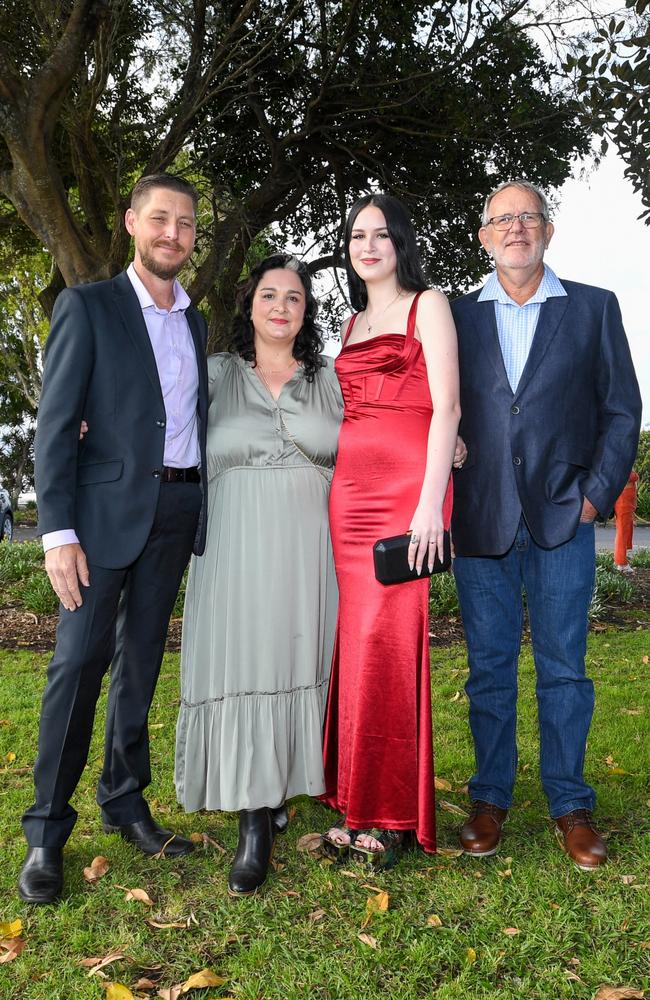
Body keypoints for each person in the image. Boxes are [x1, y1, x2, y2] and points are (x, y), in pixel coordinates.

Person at [19, 174, 209, 904]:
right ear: (132, 222)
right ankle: (45, 833)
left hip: (176, 511)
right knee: (78, 667)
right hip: (98, 522)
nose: (173, 233)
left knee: (140, 669)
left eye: (185, 223)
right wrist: (57, 531)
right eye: (159, 218)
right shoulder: (88, 306)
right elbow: (57, 425)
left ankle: (126, 801)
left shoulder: (196, 322)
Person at [451, 179, 641, 870]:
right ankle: (489, 799)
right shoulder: (454, 315)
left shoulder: (592, 309)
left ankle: (570, 804)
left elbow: (622, 410)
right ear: (483, 236)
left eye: (528, 216)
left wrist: (595, 495)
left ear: (548, 230)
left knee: (565, 669)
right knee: (490, 669)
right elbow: (432, 403)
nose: (515, 228)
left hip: (565, 517)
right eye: (501, 219)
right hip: (482, 518)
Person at [175, 254, 343, 896]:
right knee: (245, 665)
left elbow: (392, 425)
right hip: (233, 548)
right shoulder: (214, 373)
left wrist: (452, 441)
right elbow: (151, 405)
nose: (280, 306)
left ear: (306, 311)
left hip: (312, 549)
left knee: (299, 660)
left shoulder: (331, 378)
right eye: (268, 295)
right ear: (248, 306)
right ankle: (253, 821)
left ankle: (284, 787)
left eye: (294, 297)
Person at [320, 194, 461, 865]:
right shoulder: (348, 323)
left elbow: (448, 405)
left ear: (401, 242)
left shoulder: (426, 305)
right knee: (357, 642)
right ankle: (356, 797)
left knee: (391, 642)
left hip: (409, 493)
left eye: (381, 234)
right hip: (348, 496)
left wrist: (432, 501)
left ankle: (394, 814)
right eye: (357, 235)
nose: (369, 245)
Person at [613, 471, 639, 572]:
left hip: (627, 500)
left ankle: (619, 560)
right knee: (622, 532)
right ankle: (621, 563)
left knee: (625, 531)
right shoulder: (622, 464)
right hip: (623, 500)